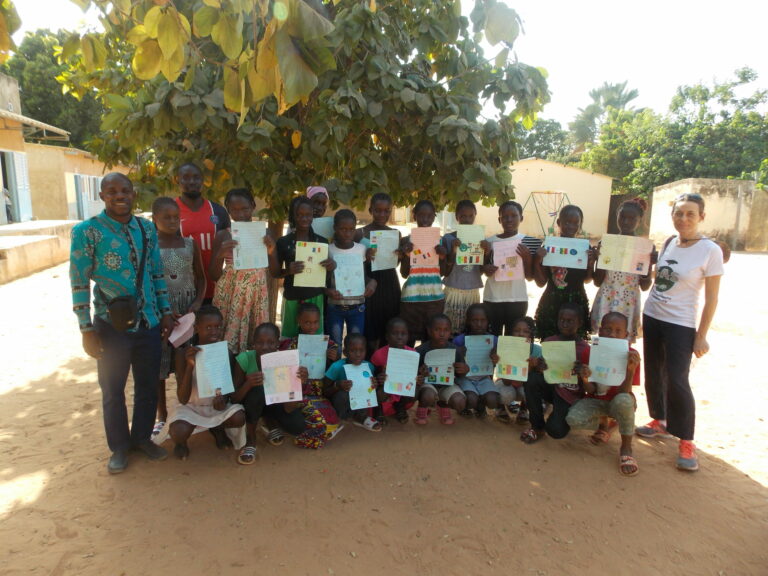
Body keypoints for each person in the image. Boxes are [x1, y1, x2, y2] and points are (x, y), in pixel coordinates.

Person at [70, 172, 174, 474]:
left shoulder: (147, 229)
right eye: (112, 191)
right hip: (110, 326)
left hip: (149, 322)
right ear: (102, 196)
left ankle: (141, 438)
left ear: (133, 194)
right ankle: (118, 447)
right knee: (113, 390)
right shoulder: (87, 232)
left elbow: (156, 273)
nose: (120, 196)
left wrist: (165, 311)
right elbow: (78, 281)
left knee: (147, 385)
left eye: (125, 190)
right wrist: (86, 328)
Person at [636, 193, 724, 472]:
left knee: (677, 380)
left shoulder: (710, 250)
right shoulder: (670, 242)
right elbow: (662, 281)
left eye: (690, 214)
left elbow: (712, 299)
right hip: (653, 317)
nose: (683, 219)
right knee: (654, 370)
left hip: (681, 324)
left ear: (701, 217)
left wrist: (702, 334)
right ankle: (659, 420)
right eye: (678, 213)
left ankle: (686, 439)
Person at [157, 306, 246, 460]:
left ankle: (218, 429)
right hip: (191, 407)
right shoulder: (183, 354)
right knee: (178, 431)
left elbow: (226, 388)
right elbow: (183, 398)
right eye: (208, 327)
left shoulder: (226, 353)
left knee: (239, 417)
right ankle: (181, 443)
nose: (214, 331)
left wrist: (223, 401)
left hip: (214, 407)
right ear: (197, 328)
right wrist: (190, 365)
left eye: (217, 327)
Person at [151, 196, 206, 434]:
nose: (172, 221)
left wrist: (196, 304)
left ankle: (190, 410)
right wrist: (162, 310)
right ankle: (161, 414)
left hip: (188, 314)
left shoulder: (190, 244)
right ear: (155, 219)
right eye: (166, 217)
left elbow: (201, 279)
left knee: (187, 362)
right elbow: (147, 283)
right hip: (162, 315)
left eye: (176, 217)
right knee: (160, 367)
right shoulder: (150, 247)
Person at [566, 312, 641, 476]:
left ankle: (626, 447)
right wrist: (585, 379)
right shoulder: (590, 352)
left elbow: (624, 392)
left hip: (617, 399)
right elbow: (590, 390)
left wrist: (630, 370)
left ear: (626, 335)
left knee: (624, 401)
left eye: (618, 331)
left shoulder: (632, 355)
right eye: (607, 329)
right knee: (572, 419)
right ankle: (604, 424)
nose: (612, 334)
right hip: (596, 399)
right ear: (600, 331)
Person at [230, 323, 310, 464]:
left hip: (274, 405)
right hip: (250, 405)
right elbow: (234, 398)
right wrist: (248, 384)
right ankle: (251, 439)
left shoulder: (286, 362)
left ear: (278, 343)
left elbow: (289, 407)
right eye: (260, 342)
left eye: (271, 342)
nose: (265, 347)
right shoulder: (244, 359)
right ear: (253, 343)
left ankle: (269, 421)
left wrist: (300, 383)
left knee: (298, 426)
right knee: (258, 391)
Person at [209, 188, 274, 353]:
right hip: (231, 294)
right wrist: (220, 255)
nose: (241, 214)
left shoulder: (264, 234)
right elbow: (213, 275)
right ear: (228, 211)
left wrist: (271, 251)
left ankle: (249, 375)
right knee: (228, 341)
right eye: (235, 210)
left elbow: (274, 270)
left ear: (252, 206)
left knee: (257, 341)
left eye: (245, 209)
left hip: (256, 294)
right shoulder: (223, 235)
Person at [520, 303, 589, 443]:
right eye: (561, 320)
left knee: (556, 431)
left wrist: (582, 371)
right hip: (551, 387)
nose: (564, 324)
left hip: (569, 394)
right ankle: (537, 426)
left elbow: (589, 380)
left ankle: (561, 416)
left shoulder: (585, 349)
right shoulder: (550, 342)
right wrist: (539, 366)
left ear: (580, 323)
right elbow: (542, 368)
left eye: (570, 321)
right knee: (531, 378)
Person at [279, 302, 343, 448]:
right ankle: (306, 438)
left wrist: (333, 357)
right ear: (298, 321)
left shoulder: (327, 344)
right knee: (318, 421)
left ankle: (313, 428)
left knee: (332, 420)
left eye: (315, 322)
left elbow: (335, 363)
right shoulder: (290, 345)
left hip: (319, 393)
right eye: (307, 322)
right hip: (300, 394)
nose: (312, 327)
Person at [270, 196, 334, 338]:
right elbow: (275, 273)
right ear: (293, 216)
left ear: (312, 215)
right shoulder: (284, 242)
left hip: (315, 298)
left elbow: (325, 276)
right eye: (299, 215)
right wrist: (288, 270)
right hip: (292, 297)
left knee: (314, 340)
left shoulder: (321, 241)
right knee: (289, 340)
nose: (304, 219)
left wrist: (331, 267)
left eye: (308, 215)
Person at [591, 198, 653, 341]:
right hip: (607, 299)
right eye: (623, 217)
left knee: (624, 344)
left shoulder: (644, 248)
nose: (626, 222)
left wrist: (649, 264)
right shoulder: (606, 243)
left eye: (632, 219)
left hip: (628, 303)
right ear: (617, 216)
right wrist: (598, 260)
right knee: (602, 341)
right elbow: (597, 281)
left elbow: (645, 286)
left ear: (640, 221)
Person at [533, 204, 595, 340]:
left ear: (580, 225)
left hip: (576, 302)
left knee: (574, 346)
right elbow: (541, 282)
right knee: (550, 343)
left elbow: (587, 280)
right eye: (567, 222)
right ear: (559, 222)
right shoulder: (548, 247)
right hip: (552, 301)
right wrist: (537, 260)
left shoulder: (584, 249)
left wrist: (590, 264)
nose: (571, 226)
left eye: (575, 223)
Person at [174, 163, 231, 302]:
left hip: (216, 290)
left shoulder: (219, 211)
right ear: (177, 180)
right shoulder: (169, 212)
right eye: (186, 177)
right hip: (181, 292)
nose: (192, 181)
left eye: (196, 177)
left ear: (203, 180)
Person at [355, 192, 402, 354]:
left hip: (390, 284)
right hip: (368, 282)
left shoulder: (395, 233)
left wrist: (400, 255)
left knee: (388, 324)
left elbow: (396, 263)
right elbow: (352, 262)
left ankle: (385, 366)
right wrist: (365, 258)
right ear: (371, 210)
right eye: (378, 210)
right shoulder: (359, 233)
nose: (382, 214)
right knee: (369, 324)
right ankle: (368, 364)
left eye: (386, 211)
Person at [482, 201, 537, 335]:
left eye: (514, 216)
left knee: (512, 341)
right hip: (492, 298)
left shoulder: (530, 242)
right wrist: (486, 267)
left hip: (517, 299)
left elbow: (530, 277)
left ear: (521, 218)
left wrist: (527, 258)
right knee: (492, 337)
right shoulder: (488, 242)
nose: (509, 220)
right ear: (499, 219)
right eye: (505, 216)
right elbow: (483, 269)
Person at [325, 209, 377, 346]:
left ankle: (352, 368)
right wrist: (327, 291)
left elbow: (363, 276)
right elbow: (323, 280)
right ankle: (336, 367)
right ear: (335, 228)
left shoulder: (361, 249)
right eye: (343, 229)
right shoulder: (328, 250)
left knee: (356, 344)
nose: (347, 233)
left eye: (351, 229)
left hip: (357, 307)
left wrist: (372, 283)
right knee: (334, 345)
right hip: (335, 307)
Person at [399, 200, 448, 346]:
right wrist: (407, 255)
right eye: (421, 215)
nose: (425, 220)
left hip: (434, 300)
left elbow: (443, 273)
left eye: (429, 216)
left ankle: (426, 369)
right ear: (414, 216)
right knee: (409, 341)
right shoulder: (406, 241)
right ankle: (410, 369)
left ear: (434, 217)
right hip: (411, 301)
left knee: (430, 342)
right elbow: (404, 273)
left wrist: (443, 257)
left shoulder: (441, 241)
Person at [442, 200, 489, 334]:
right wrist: (453, 250)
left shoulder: (480, 239)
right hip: (453, 290)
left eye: (470, 216)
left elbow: (480, 270)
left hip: (472, 291)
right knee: (450, 330)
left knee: (471, 329)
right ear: (457, 217)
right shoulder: (448, 239)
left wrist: (486, 253)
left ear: (475, 216)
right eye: (463, 216)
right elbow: (445, 271)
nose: (467, 219)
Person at [414, 314, 468, 425]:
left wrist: (464, 370)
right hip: (428, 384)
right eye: (437, 330)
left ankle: (443, 405)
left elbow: (461, 375)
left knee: (460, 402)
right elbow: (413, 375)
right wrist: (420, 372)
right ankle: (422, 408)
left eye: (446, 330)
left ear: (450, 332)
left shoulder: (455, 350)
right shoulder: (420, 350)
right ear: (429, 331)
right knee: (427, 395)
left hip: (447, 384)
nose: (442, 334)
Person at [324, 332, 382, 432]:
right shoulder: (337, 367)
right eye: (353, 351)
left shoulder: (368, 367)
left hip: (359, 406)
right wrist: (337, 386)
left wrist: (374, 385)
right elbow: (324, 391)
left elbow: (370, 390)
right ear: (345, 352)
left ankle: (361, 417)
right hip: (341, 405)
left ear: (366, 351)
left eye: (361, 350)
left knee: (371, 390)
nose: (358, 354)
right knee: (343, 394)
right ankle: (339, 418)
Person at [370, 317, 420, 424]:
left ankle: (400, 406)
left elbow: (414, 376)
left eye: (403, 334)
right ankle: (378, 410)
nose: (399, 337)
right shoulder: (378, 355)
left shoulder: (412, 354)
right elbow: (371, 377)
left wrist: (418, 378)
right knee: (378, 392)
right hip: (385, 390)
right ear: (387, 337)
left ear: (408, 336)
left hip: (402, 389)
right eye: (395, 333)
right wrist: (378, 379)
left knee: (415, 391)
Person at [453, 303, 499, 417]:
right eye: (475, 320)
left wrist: (497, 358)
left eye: (483, 320)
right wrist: (459, 353)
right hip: (465, 378)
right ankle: (465, 406)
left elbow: (502, 362)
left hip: (484, 377)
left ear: (488, 321)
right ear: (468, 321)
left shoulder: (494, 340)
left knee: (493, 400)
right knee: (471, 399)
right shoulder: (459, 340)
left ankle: (480, 406)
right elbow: (452, 363)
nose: (479, 324)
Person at [492, 316, 541, 423]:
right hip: (506, 383)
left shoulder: (537, 351)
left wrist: (532, 367)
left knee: (532, 391)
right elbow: (506, 381)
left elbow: (537, 378)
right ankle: (500, 407)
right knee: (506, 395)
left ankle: (523, 409)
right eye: (517, 331)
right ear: (512, 332)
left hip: (525, 385)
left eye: (526, 331)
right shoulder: (505, 347)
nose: (521, 334)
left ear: (531, 334)